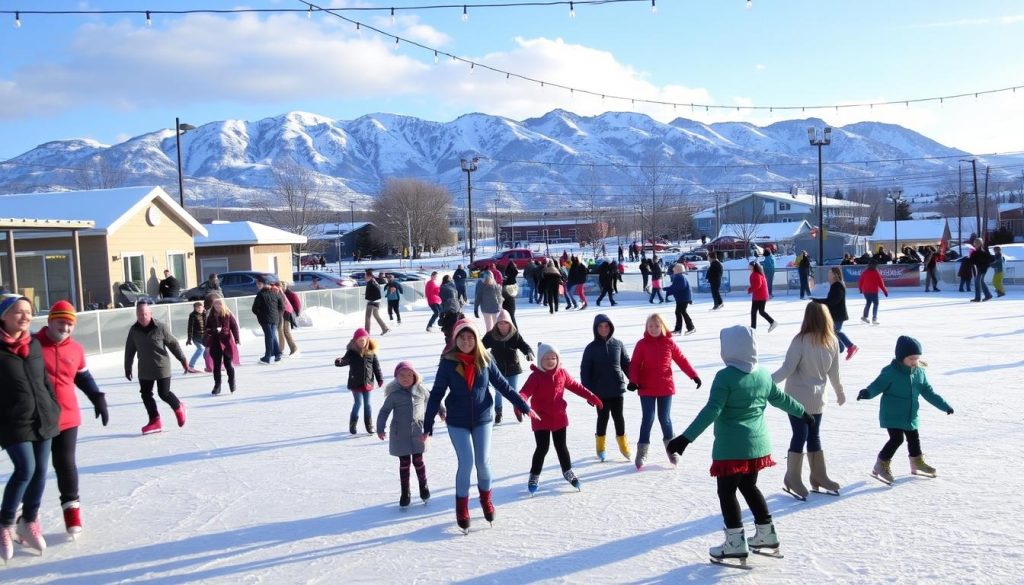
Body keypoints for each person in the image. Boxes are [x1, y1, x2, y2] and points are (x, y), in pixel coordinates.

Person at [665, 325, 811, 565]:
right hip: (757, 445)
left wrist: (685, 438)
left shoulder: (725, 377)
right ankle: (766, 534)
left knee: (727, 491)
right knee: (749, 486)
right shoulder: (763, 374)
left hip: (732, 448)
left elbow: (712, 410)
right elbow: (781, 398)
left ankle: (734, 542)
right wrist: (802, 411)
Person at [423, 319, 536, 532]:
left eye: (470, 337)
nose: (466, 341)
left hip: (483, 417)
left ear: (476, 339)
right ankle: (462, 507)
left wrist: (523, 405)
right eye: (462, 337)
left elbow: (502, 385)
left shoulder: (485, 360)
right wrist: (427, 426)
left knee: (483, 463)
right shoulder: (448, 363)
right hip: (457, 420)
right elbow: (437, 393)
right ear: (456, 339)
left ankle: (486, 499)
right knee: (466, 463)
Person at [34, 300, 109, 538]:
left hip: (67, 416)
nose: (65, 328)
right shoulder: (33, 345)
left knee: (65, 464)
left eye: (69, 324)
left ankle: (71, 510)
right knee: (34, 469)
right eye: (61, 322)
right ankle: (27, 515)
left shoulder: (75, 349)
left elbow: (83, 377)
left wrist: (97, 396)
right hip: (36, 418)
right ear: (50, 321)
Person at [0, 295, 61, 559]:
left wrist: (53, 406)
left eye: (28, 311)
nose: (25, 316)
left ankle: (30, 520)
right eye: (18, 312)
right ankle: (5, 524)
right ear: (3, 316)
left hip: (43, 417)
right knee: (25, 468)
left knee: (40, 471)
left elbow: (45, 381)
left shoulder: (33, 344)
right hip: (12, 422)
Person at [771, 303, 845, 500]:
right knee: (801, 434)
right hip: (796, 400)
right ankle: (792, 477)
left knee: (814, 435)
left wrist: (840, 392)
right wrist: (765, 383)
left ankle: (818, 476)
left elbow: (834, 372)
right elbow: (788, 368)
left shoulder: (831, 341)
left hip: (817, 399)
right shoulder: (802, 341)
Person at [858, 336, 954, 485]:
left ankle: (917, 462)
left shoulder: (919, 372)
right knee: (897, 439)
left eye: (916, 358)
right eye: (911, 359)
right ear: (901, 358)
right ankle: (881, 464)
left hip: (910, 415)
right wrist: (867, 393)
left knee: (914, 439)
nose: (914, 362)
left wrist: (944, 405)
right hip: (892, 414)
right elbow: (877, 385)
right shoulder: (891, 372)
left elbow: (928, 392)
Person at [520, 342, 603, 493]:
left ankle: (567, 471)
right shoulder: (535, 377)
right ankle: (534, 475)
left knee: (561, 447)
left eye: (553, 358)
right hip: (540, 418)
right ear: (540, 361)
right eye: (547, 359)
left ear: (558, 359)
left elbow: (576, 386)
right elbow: (524, 392)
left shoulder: (562, 373)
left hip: (559, 417)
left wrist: (591, 396)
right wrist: (519, 404)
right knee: (542, 448)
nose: (551, 361)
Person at [628, 313, 701, 470]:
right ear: (646, 328)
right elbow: (634, 364)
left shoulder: (669, 343)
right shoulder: (642, 344)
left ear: (662, 326)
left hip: (665, 387)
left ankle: (672, 449)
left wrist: (693, 375)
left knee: (665, 419)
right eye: (650, 326)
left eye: (656, 325)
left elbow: (682, 360)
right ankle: (642, 452)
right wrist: (633, 381)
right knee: (648, 418)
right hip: (646, 387)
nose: (653, 329)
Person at [125, 299, 189, 435]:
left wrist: (182, 359)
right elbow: (129, 349)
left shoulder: (161, 327)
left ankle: (179, 407)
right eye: (140, 314)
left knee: (164, 393)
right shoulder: (134, 330)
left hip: (161, 366)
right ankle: (155, 420)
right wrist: (128, 367)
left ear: (150, 313)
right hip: (144, 368)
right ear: (136, 315)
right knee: (146, 394)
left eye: (145, 314)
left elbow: (173, 344)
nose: (143, 317)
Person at [376, 361, 431, 509]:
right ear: (396, 378)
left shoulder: (421, 390)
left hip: (419, 432)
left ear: (415, 376)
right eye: (402, 375)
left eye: (409, 375)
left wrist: (442, 411)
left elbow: (433, 402)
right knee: (404, 463)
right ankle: (405, 492)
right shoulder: (394, 395)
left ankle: (423, 486)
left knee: (418, 461)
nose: (406, 378)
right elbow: (384, 412)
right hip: (400, 434)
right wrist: (380, 428)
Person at [580, 314, 632, 462]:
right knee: (603, 418)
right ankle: (601, 447)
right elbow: (585, 372)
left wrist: (633, 380)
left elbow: (626, 364)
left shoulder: (618, 344)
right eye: (600, 326)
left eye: (606, 326)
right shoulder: (590, 348)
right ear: (596, 328)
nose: (604, 329)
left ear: (611, 327)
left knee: (619, 418)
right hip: (599, 392)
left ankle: (623, 446)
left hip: (617, 388)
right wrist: (588, 394)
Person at [482, 310, 534, 425]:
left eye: (506, 323)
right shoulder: (491, 335)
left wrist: (528, 352)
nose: (503, 326)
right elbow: (480, 347)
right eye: (500, 323)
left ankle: (518, 409)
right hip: (497, 369)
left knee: (514, 391)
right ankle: (498, 412)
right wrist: (483, 356)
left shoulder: (514, 334)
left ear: (510, 323)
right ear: (497, 324)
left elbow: (523, 345)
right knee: (499, 392)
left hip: (513, 367)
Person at [334, 328, 384, 435]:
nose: (362, 342)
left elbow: (377, 368)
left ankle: (369, 425)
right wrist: (340, 361)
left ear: (367, 340)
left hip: (368, 383)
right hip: (355, 383)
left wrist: (380, 379)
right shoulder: (351, 353)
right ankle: (353, 424)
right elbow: (345, 360)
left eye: (363, 340)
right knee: (358, 403)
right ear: (355, 341)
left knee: (368, 404)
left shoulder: (371, 353)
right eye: (359, 340)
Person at [812, 267, 858, 360]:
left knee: (835, 331)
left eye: (829, 274)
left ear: (835, 275)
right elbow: (832, 301)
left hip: (838, 315)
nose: (828, 276)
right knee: (833, 332)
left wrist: (817, 301)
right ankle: (840, 348)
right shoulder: (835, 285)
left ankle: (850, 346)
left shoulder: (837, 286)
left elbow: (833, 301)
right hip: (835, 314)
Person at [204, 293, 240, 395]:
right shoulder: (210, 316)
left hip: (227, 343)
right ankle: (217, 385)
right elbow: (206, 329)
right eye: (215, 305)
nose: (217, 307)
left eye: (219, 305)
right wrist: (213, 330)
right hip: (215, 343)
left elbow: (234, 327)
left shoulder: (227, 314)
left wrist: (236, 339)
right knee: (216, 365)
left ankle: (232, 381)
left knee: (228, 364)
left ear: (222, 305)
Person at [252, 276, 284, 364]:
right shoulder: (275, 292)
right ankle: (277, 354)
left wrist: (260, 315)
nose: (258, 285)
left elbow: (254, 309)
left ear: (264, 284)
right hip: (274, 318)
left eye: (259, 284)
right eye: (257, 284)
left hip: (267, 319)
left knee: (269, 336)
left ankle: (268, 356)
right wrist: (278, 315)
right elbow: (282, 306)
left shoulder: (261, 294)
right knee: (272, 336)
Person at [665, 263, 695, 335]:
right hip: (682, 298)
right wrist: (668, 289)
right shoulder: (680, 277)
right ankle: (679, 329)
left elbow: (678, 287)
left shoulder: (679, 277)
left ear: (677, 270)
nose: (673, 270)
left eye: (674, 269)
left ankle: (690, 327)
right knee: (679, 312)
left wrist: (667, 289)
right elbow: (675, 287)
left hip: (683, 298)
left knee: (682, 312)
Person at [747, 262, 776, 332]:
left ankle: (753, 329)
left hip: (759, 297)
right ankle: (772, 322)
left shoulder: (755, 274)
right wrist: (750, 289)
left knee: (754, 312)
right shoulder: (758, 274)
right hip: (761, 296)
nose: (748, 267)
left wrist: (750, 290)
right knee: (761, 311)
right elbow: (757, 284)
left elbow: (758, 285)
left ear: (753, 267)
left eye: (750, 266)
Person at [272, 282, 298, 357]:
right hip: (284, 312)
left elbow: (283, 304)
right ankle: (281, 349)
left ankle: (294, 348)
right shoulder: (279, 292)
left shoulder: (279, 292)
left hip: (286, 312)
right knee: (281, 330)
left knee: (285, 331)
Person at [363, 268, 390, 335]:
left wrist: (371, 298)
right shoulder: (372, 282)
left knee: (367, 317)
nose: (364, 277)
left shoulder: (372, 283)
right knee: (376, 315)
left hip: (372, 302)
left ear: (369, 276)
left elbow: (377, 292)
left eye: (365, 276)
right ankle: (385, 328)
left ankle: (366, 333)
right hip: (376, 302)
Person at [438, 275, 463, 345]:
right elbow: (458, 299)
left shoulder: (443, 287)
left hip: (449, 311)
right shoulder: (454, 287)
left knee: (449, 331)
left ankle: (450, 345)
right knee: (456, 330)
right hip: (457, 311)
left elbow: (443, 301)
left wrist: (441, 314)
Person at [970, 238, 994, 302]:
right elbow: (973, 261)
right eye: (975, 243)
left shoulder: (981, 252)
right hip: (981, 268)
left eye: (976, 243)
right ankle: (988, 295)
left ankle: (978, 298)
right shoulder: (977, 252)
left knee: (977, 282)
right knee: (981, 282)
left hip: (982, 269)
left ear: (979, 244)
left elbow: (990, 259)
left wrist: (984, 264)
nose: (974, 244)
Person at [185, 301, 206, 370]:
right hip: (196, 337)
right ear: (195, 308)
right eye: (198, 308)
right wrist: (189, 339)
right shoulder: (193, 315)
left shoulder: (204, 314)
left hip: (204, 336)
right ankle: (191, 366)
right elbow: (190, 327)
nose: (200, 309)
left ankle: (209, 364)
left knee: (207, 349)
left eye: (201, 308)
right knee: (201, 349)